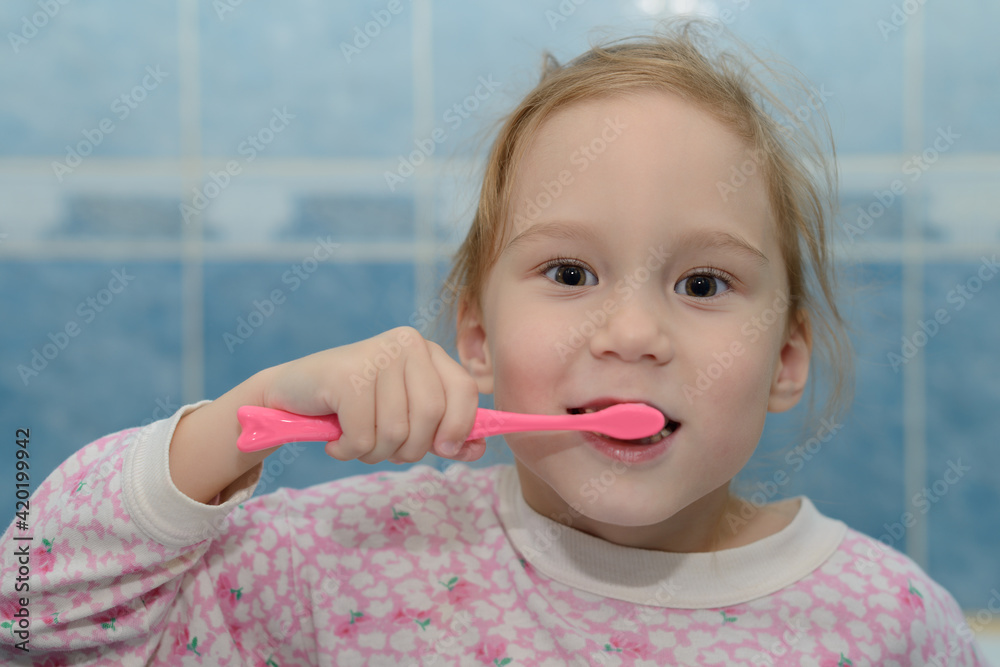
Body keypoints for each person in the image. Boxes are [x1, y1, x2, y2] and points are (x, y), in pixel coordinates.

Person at [1, 18, 987, 666]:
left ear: (785, 359)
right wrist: (237, 423)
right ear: (476, 335)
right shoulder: (348, 566)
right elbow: (26, 613)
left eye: (702, 283)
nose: (633, 333)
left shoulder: (886, 625)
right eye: (568, 274)